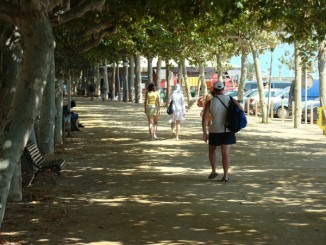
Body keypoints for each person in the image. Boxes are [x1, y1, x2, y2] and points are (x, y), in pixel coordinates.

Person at [201, 81, 243, 182]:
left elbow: (204, 118)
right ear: (223, 89)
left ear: (213, 90)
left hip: (214, 130)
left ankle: (214, 170)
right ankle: (225, 175)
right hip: (228, 130)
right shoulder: (230, 99)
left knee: (212, 150)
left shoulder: (210, 102)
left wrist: (204, 133)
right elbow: (241, 109)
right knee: (225, 153)